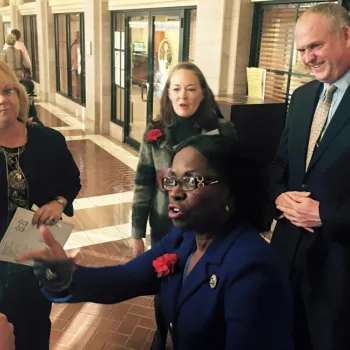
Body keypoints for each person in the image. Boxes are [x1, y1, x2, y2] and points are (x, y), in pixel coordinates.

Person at [18, 134, 292, 350]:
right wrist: (66, 278)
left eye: (191, 181)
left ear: (231, 193)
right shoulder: (183, 239)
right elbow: (126, 278)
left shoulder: (253, 269)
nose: (174, 192)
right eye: (171, 179)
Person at [131, 61, 236, 349]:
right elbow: (143, 182)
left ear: (203, 93)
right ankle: (162, 333)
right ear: (167, 93)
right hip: (165, 224)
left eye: (191, 89)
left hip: (209, 225)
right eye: (176, 89)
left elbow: (234, 183)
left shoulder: (223, 132)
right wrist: (136, 231)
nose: (183, 96)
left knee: (203, 281)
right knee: (165, 282)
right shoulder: (155, 133)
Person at [268, 3, 350, 350]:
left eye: (315, 46)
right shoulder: (301, 97)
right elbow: (280, 165)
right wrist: (277, 196)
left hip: (339, 274)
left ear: (346, 35)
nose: (307, 58)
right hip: (287, 259)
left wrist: (324, 215)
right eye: (301, 50)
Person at [0, 60, 81, 349]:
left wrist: (59, 202)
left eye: (7, 90)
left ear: (19, 95)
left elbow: (71, 180)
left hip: (31, 257)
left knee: (34, 330)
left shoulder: (48, 141)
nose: (2, 99)